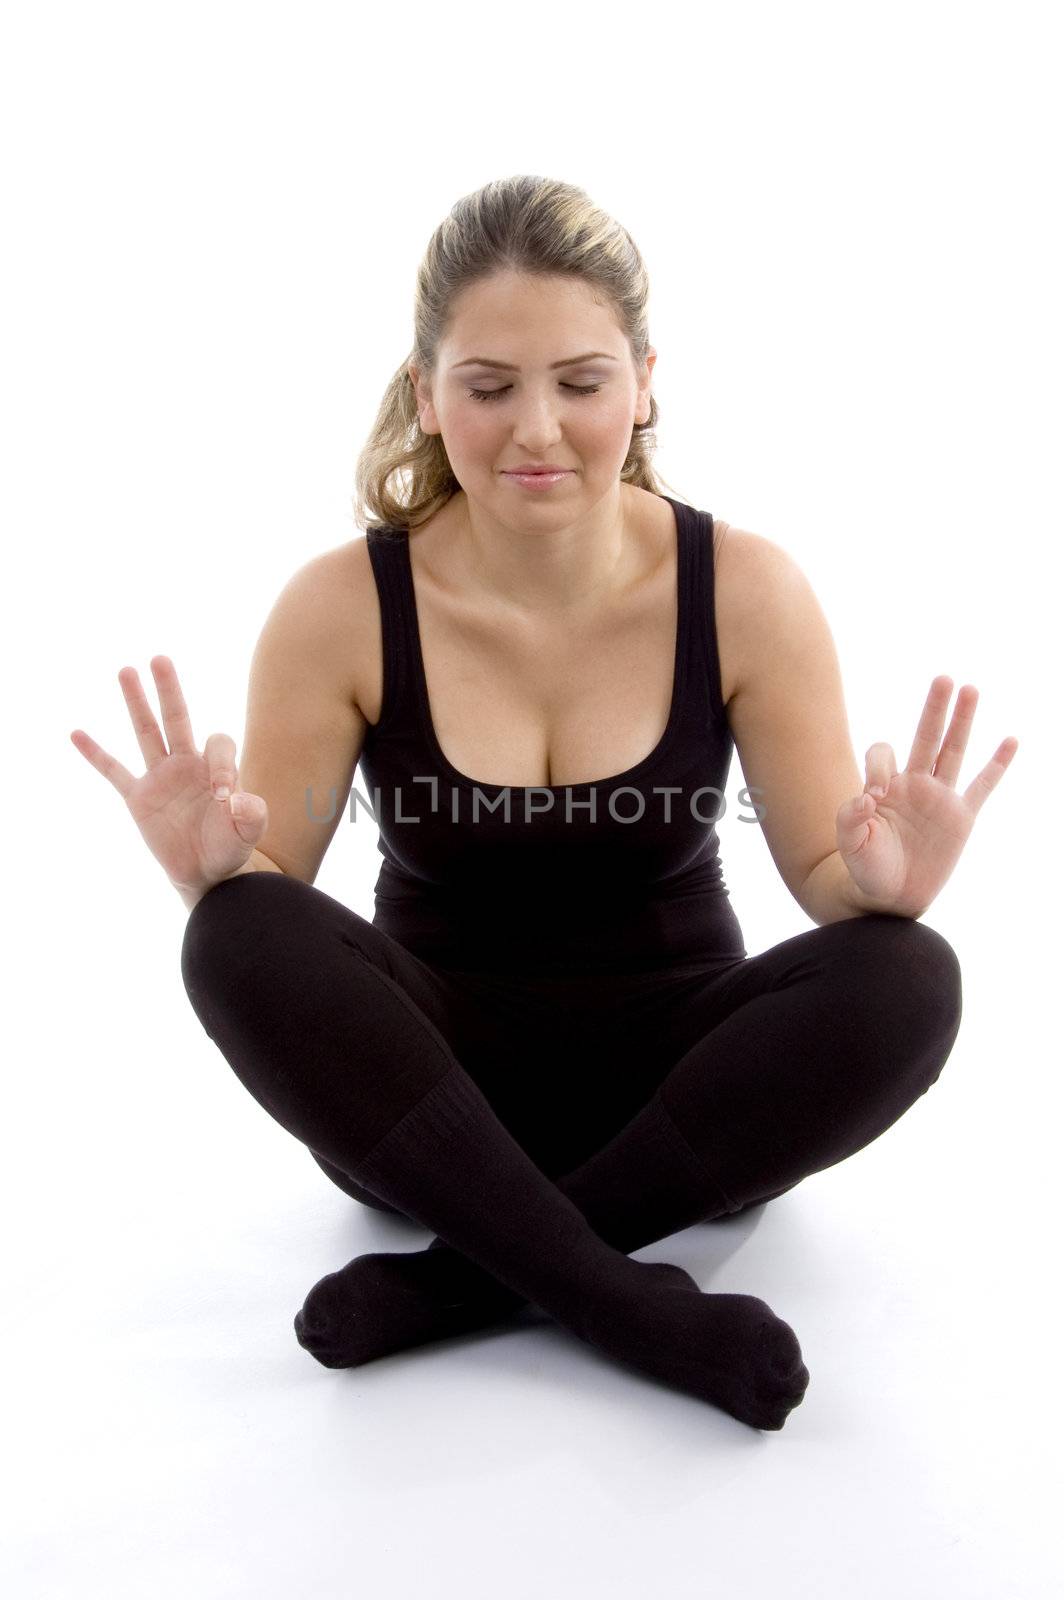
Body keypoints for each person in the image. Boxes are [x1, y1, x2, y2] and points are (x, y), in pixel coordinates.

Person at [70, 175, 1018, 1433]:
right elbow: (277, 902)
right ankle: (624, 1298)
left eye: (579, 383)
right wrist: (209, 871)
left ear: (641, 382)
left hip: (685, 1084)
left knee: (911, 975)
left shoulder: (742, 586)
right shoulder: (339, 605)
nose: (535, 430)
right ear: (425, 391)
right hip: (426, 1093)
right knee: (234, 936)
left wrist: (881, 889)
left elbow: (823, 878)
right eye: (487, 386)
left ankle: (464, 1285)